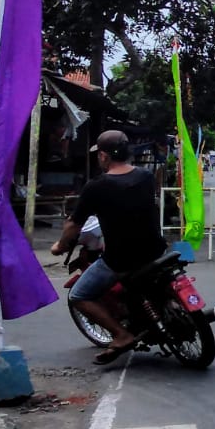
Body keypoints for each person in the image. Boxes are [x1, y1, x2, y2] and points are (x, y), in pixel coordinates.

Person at [52, 129, 167, 365]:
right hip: (156, 249)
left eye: (99, 155)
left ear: (103, 156)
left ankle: (122, 335)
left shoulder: (96, 187)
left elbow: (74, 224)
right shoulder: (145, 177)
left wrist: (60, 246)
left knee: (79, 294)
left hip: (121, 260)